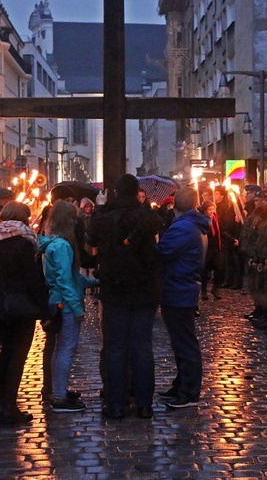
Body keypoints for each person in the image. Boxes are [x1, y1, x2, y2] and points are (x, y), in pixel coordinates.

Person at [87, 174, 162, 419]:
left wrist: (99, 207)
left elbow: (90, 237)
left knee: (115, 348)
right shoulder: (148, 217)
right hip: (144, 290)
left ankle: (116, 404)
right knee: (142, 347)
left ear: (116, 192)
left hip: (114, 289)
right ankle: (144, 404)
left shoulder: (105, 218)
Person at [0, 201, 50, 424]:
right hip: (22, 307)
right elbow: (32, 280)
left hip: (2, 305)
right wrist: (44, 310)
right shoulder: (24, 244)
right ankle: (9, 405)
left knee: (5, 354)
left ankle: (1, 403)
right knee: (18, 356)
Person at [39, 200, 97, 412]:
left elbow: (70, 278)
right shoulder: (63, 246)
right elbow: (65, 280)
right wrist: (77, 307)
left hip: (57, 300)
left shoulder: (53, 243)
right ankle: (60, 397)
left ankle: (58, 391)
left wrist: (92, 282)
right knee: (66, 350)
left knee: (59, 350)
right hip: (65, 304)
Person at [156, 187, 209, 410]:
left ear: (174, 204)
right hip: (181, 287)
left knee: (185, 343)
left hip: (178, 288)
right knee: (180, 342)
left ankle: (189, 391)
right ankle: (181, 385)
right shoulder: (192, 225)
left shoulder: (184, 227)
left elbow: (161, 253)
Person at [199, 199, 224, 300]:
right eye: (209, 209)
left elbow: (220, 231)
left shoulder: (216, 218)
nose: (212, 211)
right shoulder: (201, 219)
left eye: (213, 209)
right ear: (204, 210)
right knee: (205, 270)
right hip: (206, 247)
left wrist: (232, 239)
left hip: (216, 247)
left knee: (219, 268)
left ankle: (215, 288)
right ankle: (204, 290)